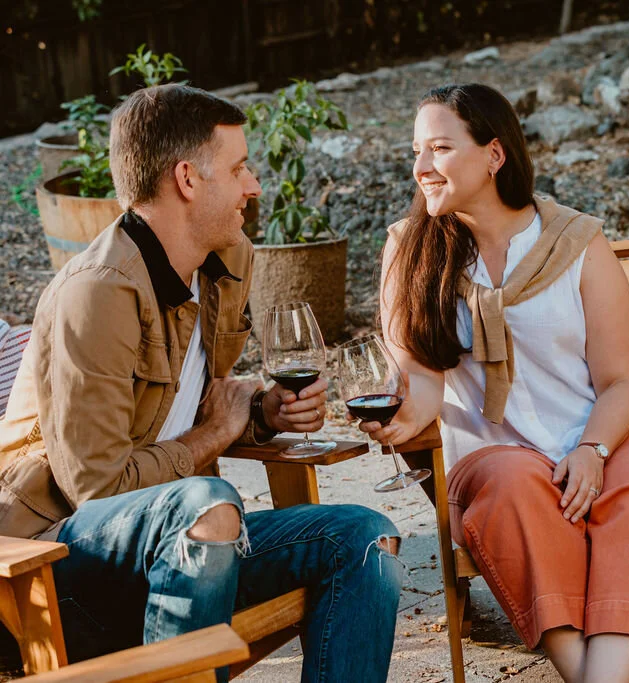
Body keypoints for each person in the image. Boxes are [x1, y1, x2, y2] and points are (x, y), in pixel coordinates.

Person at [0, 84, 401, 683]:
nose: (254, 185)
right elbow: (98, 488)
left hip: (186, 550)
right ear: (187, 178)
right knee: (209, 503)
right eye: (238, 167)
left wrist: (262, 411)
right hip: (54, 567)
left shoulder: (227, 258)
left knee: (364, 538)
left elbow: (200, 394)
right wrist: (216, 434)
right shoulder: (97, 292)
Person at [362, 83, 629, 683]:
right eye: (415, 151)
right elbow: (421, 384)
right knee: (515, 487)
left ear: (493, 156)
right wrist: (399, 420)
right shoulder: (410, 252)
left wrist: (592, 450)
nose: (420, 168)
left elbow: (622, 381)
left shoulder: (577, 244)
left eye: (439, 149)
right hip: (495, 453)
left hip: (603, 434)